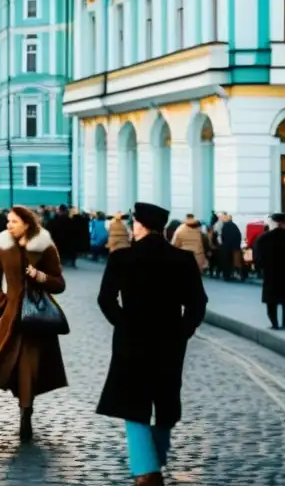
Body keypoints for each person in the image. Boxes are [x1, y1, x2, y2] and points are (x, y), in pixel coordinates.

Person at [96, 202, 208, 486]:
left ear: (140, 225)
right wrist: (183, 331)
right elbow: (197, 303)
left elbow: (105, 300)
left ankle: (146, 471)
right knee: (166, 398)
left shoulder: (122, 258)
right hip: (169, 339)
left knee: (132, 402)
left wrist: (123, 324)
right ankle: (156, 455)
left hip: (131, 339)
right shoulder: (182, 259)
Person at [0, 205, 67, 443]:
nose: (8, 225)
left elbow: (59, 283)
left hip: (36, 319)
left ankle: (26, 412)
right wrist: (2, 304)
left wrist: (40, 276)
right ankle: (24, 405)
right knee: (11, 364)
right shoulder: (2, 244)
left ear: (26, 223)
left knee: (30, 366)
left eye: (13, 221)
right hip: (11, 318)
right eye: (7, 221)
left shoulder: (45, 246)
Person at [254, 213, 285, 330]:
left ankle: (274, 323)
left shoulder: (264, 238)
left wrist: (261, 268)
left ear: (273, 222)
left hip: (271, 274)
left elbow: (258, 257)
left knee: (271, 301)